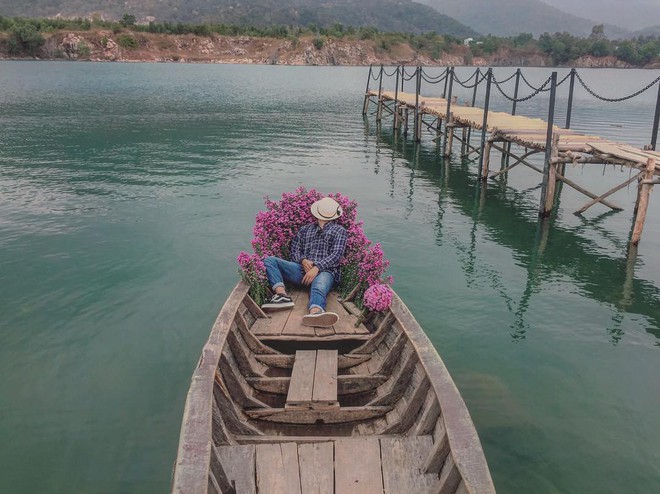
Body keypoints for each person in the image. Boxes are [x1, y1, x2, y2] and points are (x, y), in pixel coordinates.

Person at [261, 196, 348, 328]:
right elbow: (294, 251)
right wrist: (302, 260)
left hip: (326, 272)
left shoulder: (339, 231)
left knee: (319, 286)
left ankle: (315, 312)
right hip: (302, 271)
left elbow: (336, 255)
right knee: (270, 260)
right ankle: (282, 296)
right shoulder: (305, 229)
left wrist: (317, 267)